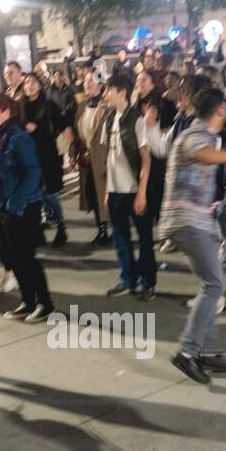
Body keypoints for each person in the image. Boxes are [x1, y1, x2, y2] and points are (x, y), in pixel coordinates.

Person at [160, 87, 226, 384]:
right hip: (186, 219)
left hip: (197, 220)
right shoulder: (198, 134)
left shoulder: (205, 134)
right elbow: (202, 155)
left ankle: (208, 350)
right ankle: (188, 352)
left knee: (212, 283)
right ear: (219, 109)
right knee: (214, 284)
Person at [0, 92, 54, 325]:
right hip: (2, 207)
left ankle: (44, 304)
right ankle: (28, 301)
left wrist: (15, 204)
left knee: (27, 258)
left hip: (22, 208)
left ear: (6, 112)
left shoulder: (18, 137)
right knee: (13, 258)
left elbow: (33, 171)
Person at [99, 71, 155, 298]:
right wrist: (107, 190)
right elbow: (108, 159)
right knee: (120, 238)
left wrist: (141, 193)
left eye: (108, 90)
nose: (105, 94)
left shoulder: (137, 120)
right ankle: (127, 279)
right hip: (115, 191)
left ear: (122, 92)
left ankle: (147, 282)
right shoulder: (110, 118)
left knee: (144, 239)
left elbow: (146, 160)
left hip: (134, 191)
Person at [19, 72, 71, 246]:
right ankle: (38, 229)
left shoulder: (49, 105)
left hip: (47, 154)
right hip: (27, 156)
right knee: (34, 194)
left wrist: (72, 145)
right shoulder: (20, 107)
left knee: (50, 194)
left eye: (33, 82)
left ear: (40, 85)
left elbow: (62, 124)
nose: (29, 86)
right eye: (26, 83)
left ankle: (60, 226)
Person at [72, 70, 110, 246]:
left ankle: (108, 227)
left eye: (91, 81)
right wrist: (76, 152)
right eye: (85, 81)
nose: (86, 84)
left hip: (103, 158)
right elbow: (77, 132)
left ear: (101, 85)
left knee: (104, 193)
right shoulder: (83, 105)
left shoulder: (108, 106)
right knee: (91, 194)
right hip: (86, 158)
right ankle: (101, 227)